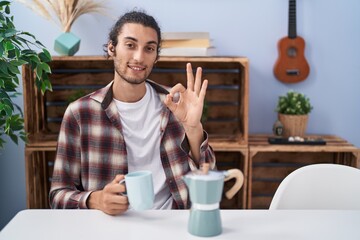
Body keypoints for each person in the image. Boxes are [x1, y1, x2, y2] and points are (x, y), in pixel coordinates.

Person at [49, 10, 216, 215]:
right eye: (130, 45)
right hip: (113, 228)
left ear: (156, 56)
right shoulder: (79, 113)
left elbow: (209, 176)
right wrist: (96, 200)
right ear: (112, 48)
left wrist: (193, 129)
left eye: (149, 48)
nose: (139, 57)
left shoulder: (175, 106)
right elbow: (57, 195)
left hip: (174, 223)